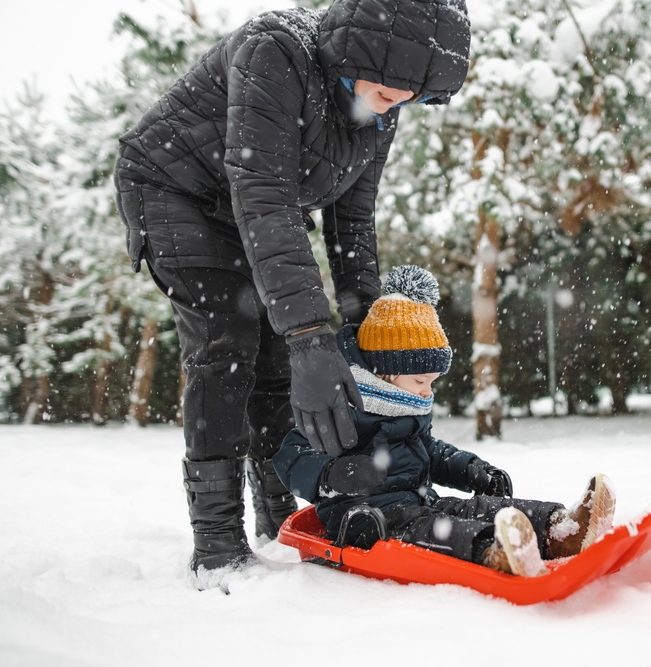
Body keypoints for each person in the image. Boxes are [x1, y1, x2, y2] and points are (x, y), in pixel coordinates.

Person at [113, 0, 472, 575]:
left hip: (253, 207)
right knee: (228, 342)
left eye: (406, 101)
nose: (393, 110)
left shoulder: (384, 94)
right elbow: (265, 196)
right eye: (387, 96)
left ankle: (277, 515)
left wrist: (358, 328)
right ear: (356, 55)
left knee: (283, 363)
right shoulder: (274, 50)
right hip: (174, 191)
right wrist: (309, 333)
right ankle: (217, 542)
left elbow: (351, 221)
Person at [273, 266, 617, 576]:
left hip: (419, 500)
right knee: (433, 528)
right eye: (421, 381)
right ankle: (492, 553)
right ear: (386, 374)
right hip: (366, 520)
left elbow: (429, 451)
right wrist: (333, 475)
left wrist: (471, 469)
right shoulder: (340, 403)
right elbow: (290, 454)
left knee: (474, 509)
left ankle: (560, 530)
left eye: (432, 382)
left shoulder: (407, 404)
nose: (427, 392)